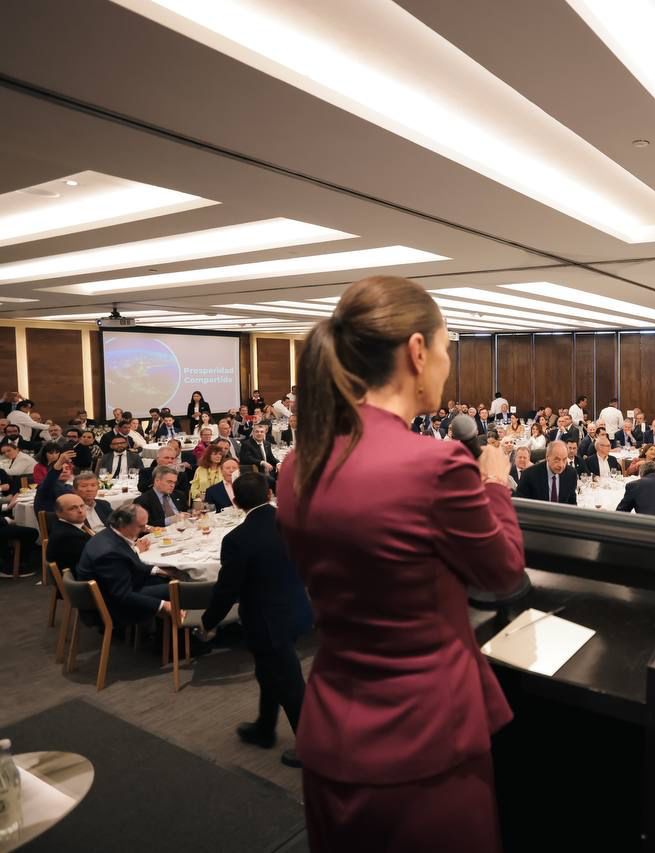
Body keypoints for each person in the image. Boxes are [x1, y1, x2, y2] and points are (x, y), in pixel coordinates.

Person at [276, 277, 524, 851]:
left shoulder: (298, 463)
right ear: (417, 351)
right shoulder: (434, 465)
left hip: (333, 729)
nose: (446, 365)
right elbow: (503, 571)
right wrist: (494, 483)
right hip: (426, 739)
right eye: (446, 348)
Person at [195, 473, 311, 768]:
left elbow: (227, 589)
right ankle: (264, 728)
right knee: (268, 671)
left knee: (289, 681)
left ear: (235, 502)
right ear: (269, 493)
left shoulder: (238, 539)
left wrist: (208, 621)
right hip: (297, 608)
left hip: (266, 619)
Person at [74, 505, 175, 625]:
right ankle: (180, 631)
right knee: (177, 588)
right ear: (123, 524)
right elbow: (122, 595)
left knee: (168, 579)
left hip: (121, 587)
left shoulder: (109, 534)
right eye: (141, 526)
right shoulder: (109, 553)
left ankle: (162, 628)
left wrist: (158, 570)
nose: (144, 529)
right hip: (112, 605)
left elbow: (130, 564)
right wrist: (163, 605)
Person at [47, 493, 94, 573]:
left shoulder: (72, 525)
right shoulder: (68, 536)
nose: (80, 511)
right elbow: (93, 557)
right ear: (59, 513)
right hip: (83, 576)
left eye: (82, 506)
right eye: (72, 508)